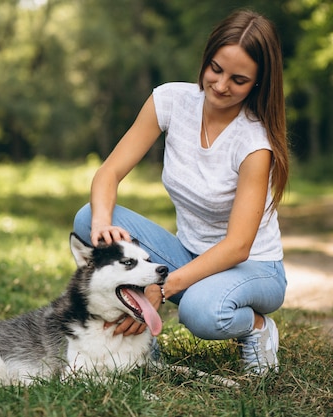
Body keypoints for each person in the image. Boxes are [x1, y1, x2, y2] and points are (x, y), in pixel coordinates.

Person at [73, 9, 289, 375]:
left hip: (253, 267)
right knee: (87, 218)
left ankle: (257, 329)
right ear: (206, 60)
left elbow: (238, 246)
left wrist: (161, 289)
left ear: (257, 83)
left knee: (200, 313)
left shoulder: (254, 143)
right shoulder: (170, 101)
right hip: (189, 253)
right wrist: (102, 226)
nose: (221, 85)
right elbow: (109, 172)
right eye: (216, 70)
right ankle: (139, 341)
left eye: (238, 79)